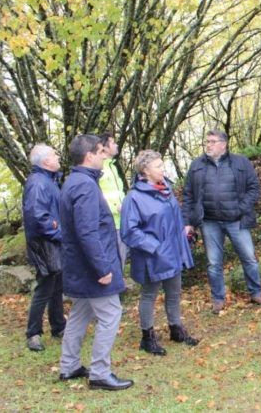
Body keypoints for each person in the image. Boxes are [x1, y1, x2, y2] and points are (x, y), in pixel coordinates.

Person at [58, 134, 133, 391]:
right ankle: (100, 373)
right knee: (111, 313)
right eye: (101, 151)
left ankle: (69, 366)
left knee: (80, 313)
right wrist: (102, 269)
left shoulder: (77, 181)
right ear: (89, 156)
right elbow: (86, 231)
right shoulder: (84, 186)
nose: (104, 155)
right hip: (92, 267)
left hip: (81, 266)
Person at [182, 129, 261, 314]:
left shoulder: (240, 162)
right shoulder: (197, 165)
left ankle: (256, 293)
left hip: (236, 220)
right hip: (209, 222)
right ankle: (218, 299)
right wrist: (187, 222)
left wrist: (241, 208)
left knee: (249, 258)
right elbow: (188, 195)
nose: (209, 145)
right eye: (207, 141)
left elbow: (254, 188)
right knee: (214, 263)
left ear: (224, 144)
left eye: (213, 141)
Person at [121, 150, 199, 355]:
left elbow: (173, 217)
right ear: (145, 170)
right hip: (152, 256)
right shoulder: (134, 197)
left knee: (174, 292)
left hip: (173, 251)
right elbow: (129, 231)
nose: (163, 169)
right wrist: (153, 246)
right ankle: (147, 337)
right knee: (149, 295)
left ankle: (176, 329)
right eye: (158, 166)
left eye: (162, 165)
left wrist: (183, 232)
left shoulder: (166, 189)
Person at [22, 144, 66, 352]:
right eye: (54, 155)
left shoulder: (49, 181)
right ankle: (33, 333)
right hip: (44, 244)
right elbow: (38, 216)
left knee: (57, 286)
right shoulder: (38, 183)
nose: (58, 157)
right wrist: (59, 233)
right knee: (45, 287)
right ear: (46, 161)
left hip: (52, 242)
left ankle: (58, 326)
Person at [98, 133, 126, 264]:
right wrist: (115, 207)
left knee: (121, 258)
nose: (116, 145)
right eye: (113, 142)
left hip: (121, 221)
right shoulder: (99, 169)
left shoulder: (113, 166)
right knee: (113, 262)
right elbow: (98, 195)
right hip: (109, 224)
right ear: (104, 148)